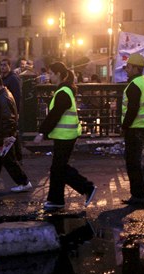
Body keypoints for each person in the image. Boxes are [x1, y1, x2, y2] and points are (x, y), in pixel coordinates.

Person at [33, 62, 96, 210]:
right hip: (66, 134)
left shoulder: (63, 92)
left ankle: (87, 188)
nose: (49, 76)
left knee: (59, 168)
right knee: (58, 168)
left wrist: (42, 132)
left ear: (59, 75)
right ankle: (56, 200)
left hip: (65, 136)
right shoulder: (65, 90)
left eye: (51, 74)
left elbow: (54, 115)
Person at [120, 53, 144, 205]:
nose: (126, 70)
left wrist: (124, 126)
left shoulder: (134, 86)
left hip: (135, 128)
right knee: (133, 160)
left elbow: (132, 109)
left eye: (128, 67)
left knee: (132, 163)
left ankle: (138, 196)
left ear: (136, 68)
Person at [0, 58, 23, 162]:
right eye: (1, 65)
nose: (2, 67)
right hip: (5, 111)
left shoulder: (13, 79)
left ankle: (14, 157)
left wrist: (16, 112)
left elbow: (17, 97)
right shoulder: (3, 79)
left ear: (9, 66)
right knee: (12, 134)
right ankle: (16, 157)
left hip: (11, 111)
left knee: (11, 134)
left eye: (5, 65)